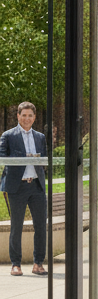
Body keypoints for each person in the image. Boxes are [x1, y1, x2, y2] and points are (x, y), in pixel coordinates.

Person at [1, 101, 48, 276]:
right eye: (24, 115)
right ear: (18, 116)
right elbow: (2, 159)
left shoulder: (40, 137)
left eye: (30, 115)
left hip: (36, 186)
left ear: (34, 117)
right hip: (17, 187)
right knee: (16, 226)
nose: (27, 118)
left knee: (41, 226)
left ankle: (38, 263)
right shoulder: (8, 135)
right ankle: (16, 264)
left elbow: (44, 160)